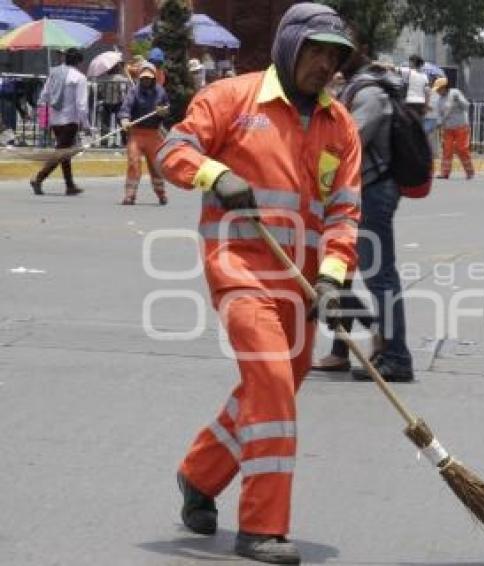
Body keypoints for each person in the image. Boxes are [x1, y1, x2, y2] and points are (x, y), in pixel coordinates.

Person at [155, 4, 359, 563]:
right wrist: (215, 174)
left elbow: (344, 214)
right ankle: (262, 527)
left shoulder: (339, 125)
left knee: (272, 389)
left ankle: (199, 474)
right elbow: (174, 149)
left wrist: (334, 280)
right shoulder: (232, 99)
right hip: (240, 266)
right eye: (316, 51)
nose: (325, 64)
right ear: (290, 47)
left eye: (335, 56)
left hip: (302, 283)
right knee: (270, 380)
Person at [313, 49, 416, 381]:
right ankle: (343, 350)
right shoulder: (358, 88)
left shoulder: (370, 93)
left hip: (373, 191)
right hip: (358, 191)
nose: (326, 63)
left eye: (331, 55)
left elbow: (348, 143)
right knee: (337, 271)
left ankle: (396, 355)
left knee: (379, 276)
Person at [30, 47, 90, 196]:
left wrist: (42, 113)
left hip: (55, 120)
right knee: (61, 153)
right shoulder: (79, 77)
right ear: (78, 62)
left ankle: (70, 185)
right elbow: (81, 105)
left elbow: (44, 95)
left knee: (64, 153)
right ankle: (39, 178)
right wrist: (87, 125)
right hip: (70, 121)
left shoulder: (54, 73)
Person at [119, 62, 170, 205]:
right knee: (133, 163)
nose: (146, 80)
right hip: (136, 133)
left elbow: (166, 109)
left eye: (148, 78)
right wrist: (124, 120)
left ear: (154, 78)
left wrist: (163, 112)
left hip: (153, 134)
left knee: (156, 166)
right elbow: (126, 108)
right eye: (143, 78)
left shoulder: (161, 92)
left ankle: (161, 193)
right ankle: (130, 195)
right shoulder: (134, 91)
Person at [433, 77, 474, 180]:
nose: (437, 91)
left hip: (461, 127)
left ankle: (470, 172)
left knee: (462, 149)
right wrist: (438, 123)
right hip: (448, 129)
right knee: (447, 151)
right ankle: (444, 173)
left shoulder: (455, 93)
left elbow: (466, 106)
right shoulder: (439, 101)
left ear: (445, 87)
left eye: (439, 89)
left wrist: (458, 100)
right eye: (437, 90)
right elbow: (439, 115)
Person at [403, 54, 430, 118]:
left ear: (413, 62)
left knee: (409, 124)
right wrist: (426, 106)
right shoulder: (424, 76)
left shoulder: (408, 72)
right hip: (421, 103)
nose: (409, 64)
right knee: (418, 124)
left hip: (410, 101)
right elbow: (427, 92)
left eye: (409, 62)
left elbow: (393, 68)